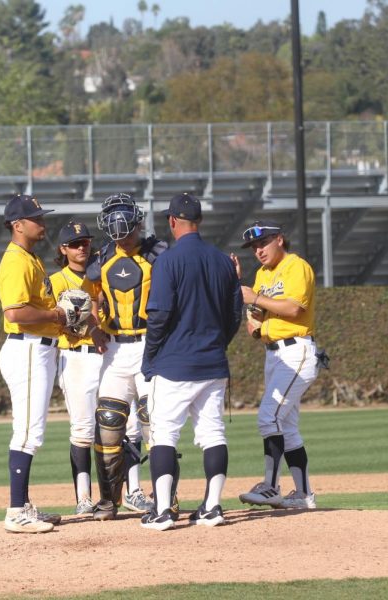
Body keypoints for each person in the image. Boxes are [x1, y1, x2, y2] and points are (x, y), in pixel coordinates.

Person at [140, 193, 242, 531]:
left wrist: (150, 356)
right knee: (212, 432)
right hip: (213, 363)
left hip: (174, 364)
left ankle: (163, 511)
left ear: (172, 221)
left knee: (164, 434)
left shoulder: (167, 261)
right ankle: (212, 507)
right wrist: (217, 344)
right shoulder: (223, 261)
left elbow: (159, 316)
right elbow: (234, 315)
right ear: (198, 220)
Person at [86, 193, 167, 521]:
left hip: (150, 344)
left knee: (155, 424)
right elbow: (91, 295)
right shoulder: (101, 259)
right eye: (119, 233)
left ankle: (166, 500)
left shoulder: (159, 253)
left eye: (130, 230)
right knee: (107, 423)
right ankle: (108, 501)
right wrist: (94, 327)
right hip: (116, 349)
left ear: (138, 222)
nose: (126, 238)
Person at [232, 220, 320, 510]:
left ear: (279, 240)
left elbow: (295, 308)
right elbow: (255, 318)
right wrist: (253, 317)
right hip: (273, 354)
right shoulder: (262, 274)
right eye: (254, 247)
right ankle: (304, 495)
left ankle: (270, 486)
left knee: (268, 418)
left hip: (297, 352)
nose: (258, 250)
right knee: (288, 427)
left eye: (263, 243)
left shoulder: (297, 266)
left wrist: (257, 299)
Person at [0, 194, 66, 534]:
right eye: (36, 218)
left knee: (31, 432)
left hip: (38, 349)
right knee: (27, 432)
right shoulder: (16, 261)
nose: (43, 223)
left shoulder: (30, 258)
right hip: (26, 349)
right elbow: (15, 312)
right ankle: (14, 511)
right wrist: (57, 314)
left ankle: (23, 505)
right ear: (17, 225)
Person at [49, 221, 108, 515]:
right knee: (83, 429)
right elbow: (51, 319)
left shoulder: (99, 277)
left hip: (104, 355)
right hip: (74, 356)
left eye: (85, 241)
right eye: (74, 243)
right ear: (63, 249)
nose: (82, 247)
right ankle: (83, 497)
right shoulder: (56, 280)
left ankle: (130, 490)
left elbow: (102, 306)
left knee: (122, 424)